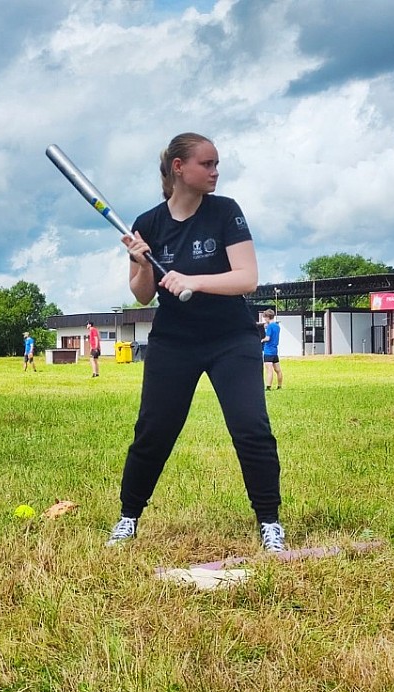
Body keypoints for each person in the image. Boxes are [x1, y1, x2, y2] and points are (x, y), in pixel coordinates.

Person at [106, 132, 285, 553]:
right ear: (179, 168)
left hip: (230, 338)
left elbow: (247, 277)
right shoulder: (147, 224)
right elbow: (142, 294)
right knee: (153, 431)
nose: (216, 172)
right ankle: (128, 518)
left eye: (217, 164)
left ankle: (270, 523)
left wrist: (193, 280)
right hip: (174, 342)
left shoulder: (225, 212)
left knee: (251, 429)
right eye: (207, 164)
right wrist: (140, 261)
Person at [261, 309, 283, 390]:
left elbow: (268, 338)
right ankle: (279, 386)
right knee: (278, 370)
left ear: (267, 317)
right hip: (275, 351)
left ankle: (268, 387)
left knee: (269, 370)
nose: (264, 319)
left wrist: (262, 340)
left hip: (268, 350)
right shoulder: (277, 326)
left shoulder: (270, 326)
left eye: (265, 317)